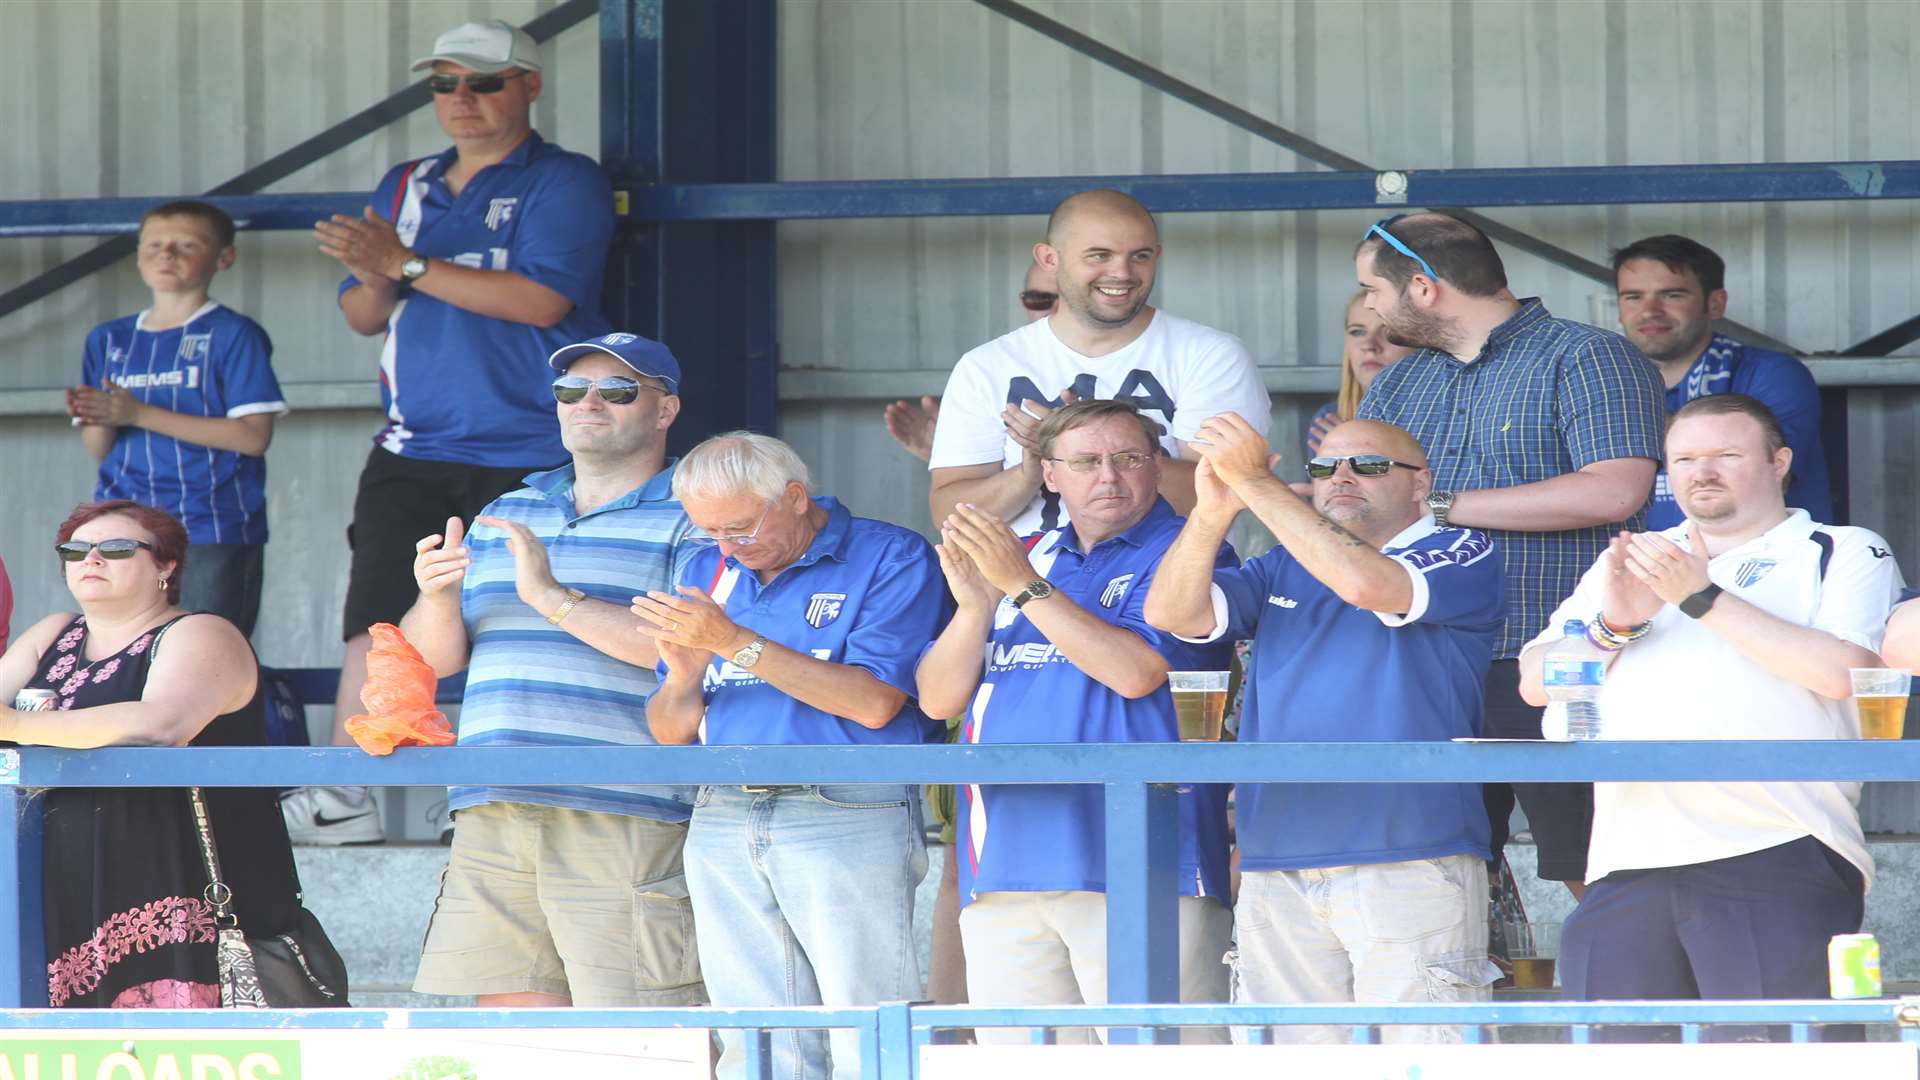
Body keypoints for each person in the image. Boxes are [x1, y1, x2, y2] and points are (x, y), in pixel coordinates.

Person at [298, 18, 616, 843]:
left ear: (530, 86)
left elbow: (544, 301)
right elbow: (365, 316)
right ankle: (346, 800)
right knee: (377, 618)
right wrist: (376, 268)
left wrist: (404, 263)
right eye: (445, 84)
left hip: (535, 449)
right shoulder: (407, 181)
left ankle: (473, 792)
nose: (462, 100)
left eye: (483, 82)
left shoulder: (565, 180)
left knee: (508, 620)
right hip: (415, 445)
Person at [1519, 394, 1902, 1027]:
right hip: (1623, 859)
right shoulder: (1632, 556)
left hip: (1778, 845)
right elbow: (1539, 682)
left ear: (1780, 462)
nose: (1703, 472)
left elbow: (1844, 674)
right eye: (1685, 459)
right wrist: (1613, 625)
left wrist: (1699, 596)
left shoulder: (1840, 548)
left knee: (1780, 1062)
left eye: (1727, 455)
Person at [1144, 415, 1503, 1042]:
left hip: (1409, 847)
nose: (1340, 479)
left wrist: (1259, 483)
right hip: (1276, 850)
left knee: (1425, 1059)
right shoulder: (1283, 562)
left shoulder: (1462, 547)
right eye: (1322, 468)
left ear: (1422, 484)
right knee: (1295, 1062)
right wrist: (1212, 514)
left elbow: (1369, 585)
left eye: (1366, 465)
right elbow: (1171, 612)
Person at [1354, 212, 1666, 894]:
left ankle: (1627, 999)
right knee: (1430, 868)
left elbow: (1616, 490)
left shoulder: (1588, 356)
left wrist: (1439, 506)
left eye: (1375, 290)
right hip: (1425, 662)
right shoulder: (1399, 385)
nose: (1370, 308)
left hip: (1555, 656)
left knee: (1597, 865)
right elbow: (1370, 510)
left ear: (1425, 288)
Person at [399, 332, 703, 1008]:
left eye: (618, 391)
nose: (588, 402)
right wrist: (435, 596)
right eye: (572, 390)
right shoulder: (505, 510)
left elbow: (691, 650)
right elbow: (434, 659)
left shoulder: (698, 514)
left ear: (665, 411)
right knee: (513, 1040)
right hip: (493, 800)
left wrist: (553, 598)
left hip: (622, 804)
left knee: (637, 1043)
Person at [916, 400, 1234, 1045]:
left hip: (1142, 862)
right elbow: (937, 700)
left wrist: (1023, 586)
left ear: (1157, 468)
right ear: (1050, 476)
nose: (1109, 477)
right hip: (1005, 860)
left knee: (1159, 1061)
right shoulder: (1029, 554)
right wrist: (978, 605)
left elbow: (1137, 673)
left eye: (1129, 458)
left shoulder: (1190, 549)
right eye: (1086, 462)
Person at [637, 432, 944, 1080]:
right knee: (755, 1036)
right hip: (722, 809)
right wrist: (684, 678)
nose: (724, 547)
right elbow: (670, 730)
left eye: (740, 527)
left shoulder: (890, 556)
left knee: (867, 1023)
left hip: (844, 805)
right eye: (709, 530)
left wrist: (736, 641)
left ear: (795, 498)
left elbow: (874, 704)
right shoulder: (706, 570)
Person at [0, 501, 304, 1008]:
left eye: (116, 549)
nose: (91, 560)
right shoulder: (54, 631)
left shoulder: (203, 632)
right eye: (76, 550)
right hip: (56, 872)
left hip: (172, 879)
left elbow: (162, 724)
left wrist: (16, 725)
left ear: (166, 566)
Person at [928, 189, 1271, 535]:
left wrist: (1084, 443)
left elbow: (1219, 494)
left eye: (1140, 256)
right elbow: (948, 516)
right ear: (1049, 259)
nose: (1122, 272)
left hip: (1166, 584)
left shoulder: (1211, 355)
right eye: (1099, 255)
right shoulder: (986, 366)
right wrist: (1032, 468)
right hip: (1023, 585)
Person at [67, 201, 287, 639]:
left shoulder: (233, 333)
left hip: (210, 521)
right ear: (138, 256)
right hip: (124, 522)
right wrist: (97, 415)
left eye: (187, 245)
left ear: (224, 258)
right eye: (154, 245)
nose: (167, 255)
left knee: (206, 646)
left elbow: (253, 437)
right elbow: (100, 447)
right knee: (121, 647)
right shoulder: (109, 338)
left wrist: (138, 413)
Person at [1613, 234, 1832, 529]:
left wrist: (1620, 419)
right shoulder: (1609, 382)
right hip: (1643, 564)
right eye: (1633, 296)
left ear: (1715, 303)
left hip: (1764, 566)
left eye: (1672, 295)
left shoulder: (1770, 373)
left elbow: (1772, 477)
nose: (1650, 310)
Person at [884, 259, 1060, 462]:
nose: (1054, 310)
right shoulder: (984, 368)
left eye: (1067, 300)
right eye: (1039, 299)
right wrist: (955, 457)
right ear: (1024, 303)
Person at [1305, 291, 1413, 454]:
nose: (1369, 345)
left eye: (1389, 332)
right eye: (1357, 332)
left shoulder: (1445, 417)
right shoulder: (1329, 418)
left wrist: (1358, 451)